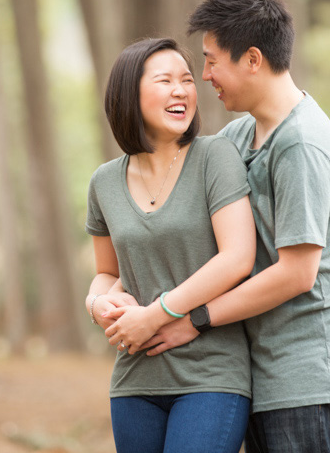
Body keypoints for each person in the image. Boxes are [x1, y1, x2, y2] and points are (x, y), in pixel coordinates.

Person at [114, 0, 330, 453]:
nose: (205, 76)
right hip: (262, 377)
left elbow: (297, 272)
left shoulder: (301, 144)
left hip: (309, 378)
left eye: (212, 61)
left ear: (252, 59)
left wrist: (194, 319)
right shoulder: (240, 136)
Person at [84, 36, 257, 453]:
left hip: (210, 376)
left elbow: (238, 258)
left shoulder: (215, 157)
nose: (181, 90)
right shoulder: (104, 182)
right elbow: (107, 273)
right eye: (165, 81)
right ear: (130, 95)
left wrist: (156, 314)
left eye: (186, 80)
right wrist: (98, 305)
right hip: (134, 380)